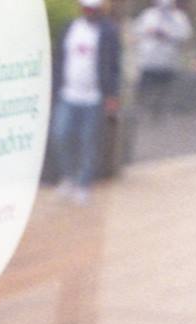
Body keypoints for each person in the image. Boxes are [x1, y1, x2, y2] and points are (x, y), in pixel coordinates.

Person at [52, 0, 123, 203]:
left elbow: (114, 65)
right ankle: (68, 177)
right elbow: (59, 58)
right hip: (68, 94)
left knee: (89, 141)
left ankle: (83, 184)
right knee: (61, 135)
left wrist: (112, 95)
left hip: (93, 97)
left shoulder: (108, 32)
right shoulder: (70, 28)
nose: (89, 12)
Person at [133, 0, 192, 119]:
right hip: (148, 61)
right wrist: (149, 32)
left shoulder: (179, 17)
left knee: (164, 90)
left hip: (167, 61)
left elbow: (185, 34)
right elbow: (137, 30)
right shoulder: (148, 15)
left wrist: (168, 35)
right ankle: (143, 111)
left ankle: (159, 112)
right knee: (145, 89)